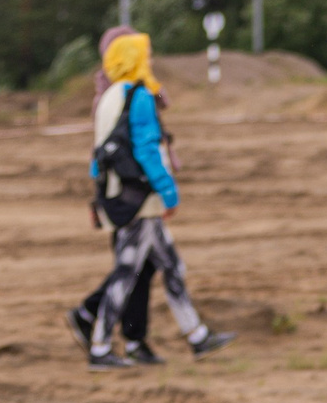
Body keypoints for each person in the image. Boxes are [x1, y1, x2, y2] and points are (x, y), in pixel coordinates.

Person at [79, 31, 234, 371]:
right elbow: (149, 151)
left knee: (171, 265)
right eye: (144, 56)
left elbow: (97, 154)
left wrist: (100, 197)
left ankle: (196, 335)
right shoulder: (140, 96)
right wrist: (169, 192)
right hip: (142, 200)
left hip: (119, 194)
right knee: (127, 272)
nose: (149, 61)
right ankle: (101, 347)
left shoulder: (107, 98)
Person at [69, 26, 163, 362]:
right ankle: (98, 327)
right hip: (130, 195)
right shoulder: (122, 96)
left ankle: (130, 337)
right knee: (133, 266)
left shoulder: (123, 93)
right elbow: (125, 148)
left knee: (142, 265)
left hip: (123, 194)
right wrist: (166, 189)